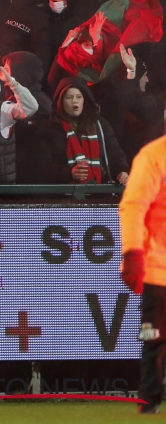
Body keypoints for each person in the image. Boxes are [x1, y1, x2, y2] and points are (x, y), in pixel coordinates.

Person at [119, 134, 166, 413]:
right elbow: (133, 206)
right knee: (154, 340)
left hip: (158, 270)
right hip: (158, 270)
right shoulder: (153, 156)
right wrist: (132, 253)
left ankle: (149, 403)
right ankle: (149, 402)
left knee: (154, 341)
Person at [28, 79, 128, 185]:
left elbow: (116, 154)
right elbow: (41, 167)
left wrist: (122, 171)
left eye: (78, 97)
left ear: (84, 100)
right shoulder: (49, 129)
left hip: (99, 192)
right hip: (64, 196)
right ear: (60, 101)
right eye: (69, 97)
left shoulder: (100, 125)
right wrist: (69, 173)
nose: (74, 101)